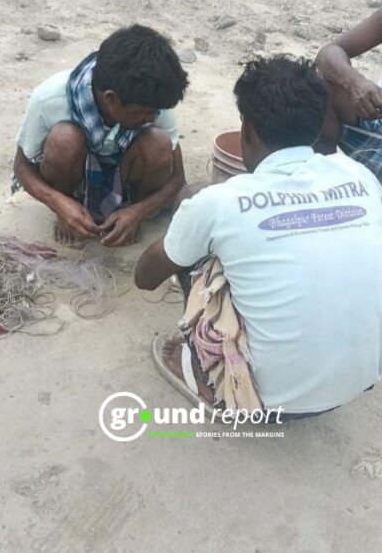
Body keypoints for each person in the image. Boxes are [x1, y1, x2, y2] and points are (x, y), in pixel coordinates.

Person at [136, 56, 382, 419]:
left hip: (268, 402)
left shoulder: (218, 203)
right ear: (317, 126)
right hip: (359, 383)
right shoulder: (360, 175)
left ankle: (209, 378)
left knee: (203, 241)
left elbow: (145, 277)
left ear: (246, 130)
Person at [12, 24, 188, 247]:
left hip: (127, 174)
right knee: (64, 139)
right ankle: (71, 212)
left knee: (158, 143)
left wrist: (139, 212)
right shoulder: (50, 99)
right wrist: (57, 201)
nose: (152, 119)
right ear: (111, 99)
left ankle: (129, 214)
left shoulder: (153, 101)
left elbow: (178, 178)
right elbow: (21, 166)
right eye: (143, 115)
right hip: (73, 177)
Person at [316, 10, 382, 177]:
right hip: (375, 133)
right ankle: (325, 189)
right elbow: (329, 53)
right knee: (319, 88)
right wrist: (355, 82)